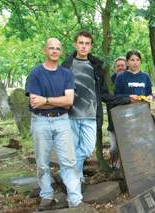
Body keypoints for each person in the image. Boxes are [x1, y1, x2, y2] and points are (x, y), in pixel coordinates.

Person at [62, 30, 130, 184]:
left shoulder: (96, 66)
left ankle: (67, 171)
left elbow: (105, 94)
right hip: (71, 115)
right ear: (75, 44)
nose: (84, 46)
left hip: (91, 116)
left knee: (86, 149)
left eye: (87, 44)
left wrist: (126, 99)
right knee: (72, 149)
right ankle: (76, 179)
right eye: (81, 43)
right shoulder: (66, 65)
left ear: (91, 46)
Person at [25, 38, 83, 210]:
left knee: (69, 162)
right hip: (40, 121)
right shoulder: (35, 73)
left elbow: (69, 101)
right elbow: (35, 103)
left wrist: (46, 100)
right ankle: (46, 195)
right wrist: (57, 101)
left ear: (61, 51)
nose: (55, 51)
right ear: (45, 50)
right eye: (51, 48)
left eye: (58, 48)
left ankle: (75, 200)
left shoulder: (66, 74)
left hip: (62, 121)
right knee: (42, 163)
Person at [108, 56, 127, 168]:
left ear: (126, 66)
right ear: (114, 68)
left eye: (122, 65)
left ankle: (123, 166)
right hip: (113, 118)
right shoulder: (110, 80)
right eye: (118, 66)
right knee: (114, 146)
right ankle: (114, 164)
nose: (120, 67)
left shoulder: (129, 78)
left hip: (126, 117)